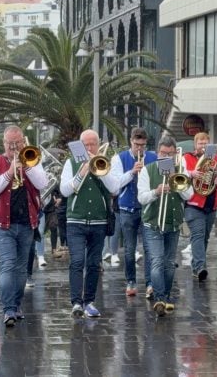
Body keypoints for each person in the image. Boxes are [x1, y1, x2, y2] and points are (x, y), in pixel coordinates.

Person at [0, 125, 48, 327]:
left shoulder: (32, 159)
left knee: (21, 269)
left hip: (27, 222)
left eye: (17, 143)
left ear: (23, 142)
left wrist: (26, 167)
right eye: (10, 144)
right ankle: (8, 309)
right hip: (2, 224)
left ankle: (16, 305)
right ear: (4, 143)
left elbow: (42, 184)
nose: (14, 147)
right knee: (8, 264)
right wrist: (10, 171)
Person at [60, 129, 120, 319]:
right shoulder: (71, 163)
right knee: (77, 261)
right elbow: (64, 191)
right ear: (80, 146)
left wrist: (99, 169)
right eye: (85, 144)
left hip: (98, 221)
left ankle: (89, 302)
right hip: (75, 221)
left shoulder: (104, 163)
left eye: (93, 143)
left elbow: (115, 188)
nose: (89, 147)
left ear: (98, 144)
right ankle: (76, 302)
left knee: (94, 263)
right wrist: (82, 172)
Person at [137, 135, 193, 316]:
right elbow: (142, 198)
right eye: (163, 153)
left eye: (169, 154)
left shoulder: (180, 170)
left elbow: (189, 196)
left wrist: (177, 182)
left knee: (169, 264)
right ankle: (160, 298)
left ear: (175, 154)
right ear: (157, 153)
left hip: (172, 223)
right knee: (156, 261)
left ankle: (166, 296)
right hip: (152, 223)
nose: (166, 158)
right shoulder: (148, 170)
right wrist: (156, 192)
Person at [110, 128, 157, 297]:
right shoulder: (119, 158)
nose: (139, 149)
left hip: (147, 208)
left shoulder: (153, 157)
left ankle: (150, 283)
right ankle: (131, 281)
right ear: (131, 141)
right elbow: (115, 185)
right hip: (127, 208)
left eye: (142, 145)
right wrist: (132, 172)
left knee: (149, 248)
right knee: (129, 249)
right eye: (137, 145)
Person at [182, 132, 217, 281]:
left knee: (204, 237)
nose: (203, 146)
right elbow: (180, 173)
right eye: (200, 143)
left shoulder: (216, 159)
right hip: (194, 204)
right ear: (195, 145)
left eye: (206, 143)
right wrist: (191, 173)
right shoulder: (187, 158)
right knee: (198, 235)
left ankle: (197, 265)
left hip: (211, 204)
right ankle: (200, 267)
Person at [102, 195, 121, 265]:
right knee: (111, 231)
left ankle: (106, 252)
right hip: (113, 207)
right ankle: (106, 253)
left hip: (113, 206)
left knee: (111, 230)